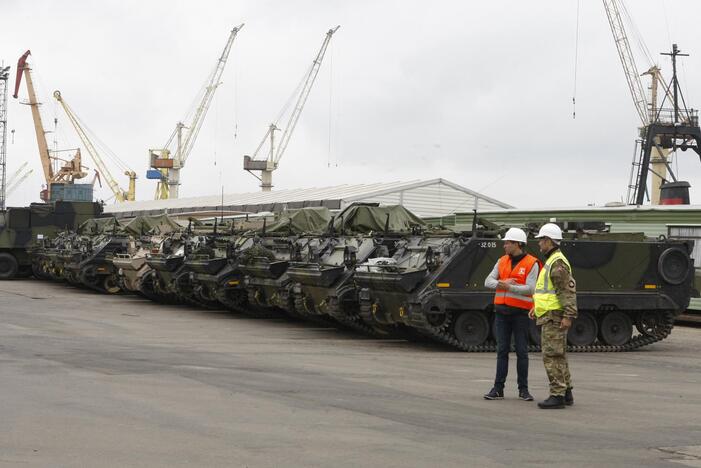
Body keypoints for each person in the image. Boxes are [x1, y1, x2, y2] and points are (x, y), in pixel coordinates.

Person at [483, 227, 540, 402]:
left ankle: (523, 389)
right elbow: (488, 281)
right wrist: (503, 283)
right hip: (501, 313)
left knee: (522, 351)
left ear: (518, 244)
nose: (505, 245)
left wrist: (510, 287)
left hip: (521, 314)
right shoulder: (501, 261)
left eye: (508, 242)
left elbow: (531, 288)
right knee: (502, 351)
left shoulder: (532, 263)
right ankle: (498, 388)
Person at [529, 223, 578, 409]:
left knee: (552, 356)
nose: (539, 244)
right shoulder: (553, 261)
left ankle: (557, 394)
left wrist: (568, 316)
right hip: (551, 314)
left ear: (548, 241)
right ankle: (566, 392)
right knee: (559, 355)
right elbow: (548, 291)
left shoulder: (556, 263)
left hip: (554, 317)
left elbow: (567, 292)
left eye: (541, 240)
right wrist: (537, 307)